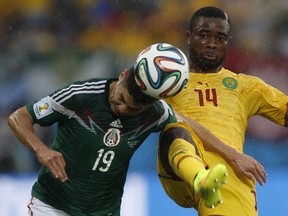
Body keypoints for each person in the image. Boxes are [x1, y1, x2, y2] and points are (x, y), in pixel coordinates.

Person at [8, 46, 236, 215]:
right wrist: (41, 149)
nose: (123, 108)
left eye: (132, 108)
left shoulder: (154, 112)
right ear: (124, 75)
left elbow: (191, 126)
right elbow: (19, 117)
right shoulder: (80, 95)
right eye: (122, 98)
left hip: (105, 212)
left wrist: (234, 156)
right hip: (52, 206)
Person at [158, 6, 288, 216]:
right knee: (176, 128)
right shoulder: (169, 81)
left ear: (228, 42)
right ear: (189, 37)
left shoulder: (244, 86)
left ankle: (210, 184)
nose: (212, 44)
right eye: (204, 35)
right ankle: (200, 177)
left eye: (221, 38)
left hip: (228, 174)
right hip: (181, 170)